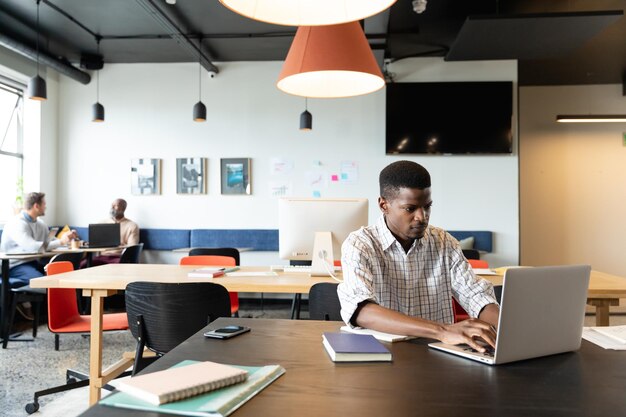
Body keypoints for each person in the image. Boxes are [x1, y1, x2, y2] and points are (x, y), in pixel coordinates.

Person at [337, 161, 500, 353]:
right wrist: (442, 330)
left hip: (436, 355)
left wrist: (510, 330)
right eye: (410, 208)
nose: (422, 217)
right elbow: (362, 311)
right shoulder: (360, 244)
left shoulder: (444, 242)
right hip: (381, 355)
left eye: (427, 206)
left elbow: (476, 295)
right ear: (383, 205)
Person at [0, 192, 77, 319]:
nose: (46, 207)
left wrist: (64, 240)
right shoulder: (17, 223)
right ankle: (25, 303)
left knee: (62, 277)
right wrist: (61, 241)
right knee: (47, 282)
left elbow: (45, 245)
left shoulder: (40, 224)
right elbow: (34, 247)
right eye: (44, 204)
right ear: (36, 206)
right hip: (15, 266)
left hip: (33, 262)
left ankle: (68, 316)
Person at [88, 198, 140, 266]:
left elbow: (132, 248)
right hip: (102, 257)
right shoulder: (102, 223)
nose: (112, 207)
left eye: (115, 205)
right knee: (84, 265)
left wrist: (120, 246)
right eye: (112, 205)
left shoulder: (132, 225)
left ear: (123, 208)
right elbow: (95, 244)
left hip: (119, 257)